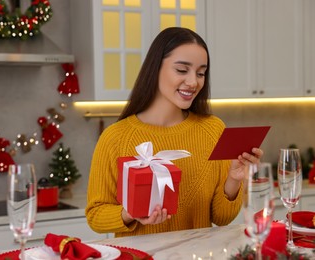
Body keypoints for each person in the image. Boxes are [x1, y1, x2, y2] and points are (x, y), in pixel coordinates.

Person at [85, 27, 263, 238]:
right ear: (155, 68)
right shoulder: (115, 137)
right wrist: (129, 213)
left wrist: (234, 179)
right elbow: (95, 215)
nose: (193, 82)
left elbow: (221, 218)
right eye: (181, 70)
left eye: (201, 73)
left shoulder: (213, 130)